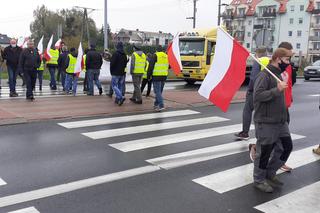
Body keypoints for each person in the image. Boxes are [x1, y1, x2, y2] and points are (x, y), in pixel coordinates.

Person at [253, 48, 293, 193]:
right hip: (266, 121)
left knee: (286, 147)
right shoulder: (264, 75)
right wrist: (277, 90)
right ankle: (259, 179)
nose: (289, 63)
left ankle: (270, 173)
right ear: (278, 59)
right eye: (287, 59)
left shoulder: (279, 75)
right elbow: (257, 96)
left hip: (280, 121)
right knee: (264, 152)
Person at [235, 47, 269, 140]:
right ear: (266, 53)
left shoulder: (258, 62)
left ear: (257, 54)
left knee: (247, 110)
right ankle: (266, 135)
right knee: (263, 114)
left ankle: (245, 133)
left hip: (255, 91)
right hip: (267, 91)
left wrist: (250, 90)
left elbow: (253, 78)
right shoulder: (270, 61)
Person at [147, 47, 169, 111]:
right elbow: (169, 66)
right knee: (159, 91)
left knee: (157, 92)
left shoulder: (155, 55)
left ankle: (161, 105)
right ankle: (156, 104)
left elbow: (150, 67)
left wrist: (148, 76)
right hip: (164, 76)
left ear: (156, 50)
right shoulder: (166, 56)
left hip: (156, 76)